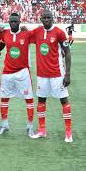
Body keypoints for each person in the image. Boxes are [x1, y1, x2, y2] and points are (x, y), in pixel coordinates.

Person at [31, 10, 73, 143]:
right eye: (44, 18)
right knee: (41, 101)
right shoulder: (37, 31)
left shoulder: (59, 32)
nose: (47, 20)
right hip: (42, 75)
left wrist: (68, 74)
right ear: (41, 19)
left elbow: (67, 52)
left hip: (57, 74)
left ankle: (68, 133)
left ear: (52, 18)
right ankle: (42, 130)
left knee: (64, 101)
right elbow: (26, 36)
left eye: (49, 17)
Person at [0, 13, 34, 137]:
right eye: (11, 21)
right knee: (4, 98)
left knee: (29, 98)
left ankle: (30, 127)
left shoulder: (26, 34)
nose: (13, 23)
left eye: (15, 21)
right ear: (9, 22)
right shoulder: (5, 33)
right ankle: (4, 125)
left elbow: (38, 38)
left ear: (20, 21)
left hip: (23, 72)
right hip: (7, 72)